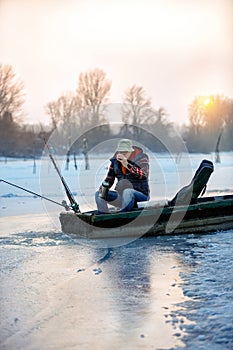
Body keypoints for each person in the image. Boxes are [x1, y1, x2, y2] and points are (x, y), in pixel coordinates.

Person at [95, 139, 150, 213]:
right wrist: (103, 187)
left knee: (127, 192)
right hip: (122, 197)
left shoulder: (142, 158)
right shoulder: (115, 161)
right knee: (99, 194)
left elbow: (144, 175)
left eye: (125, 152)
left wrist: (127, 165)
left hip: (140, 196)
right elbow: (109, 179)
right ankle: (103, 218)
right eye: (121, 152)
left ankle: (123, 217)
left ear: (131, 151)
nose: (123, 154)